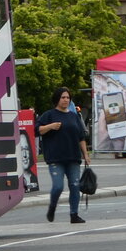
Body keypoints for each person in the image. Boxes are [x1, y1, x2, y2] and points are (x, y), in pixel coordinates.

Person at [37, 86, 90, 224]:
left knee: (75, 185)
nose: (66, 100)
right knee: (58, 186)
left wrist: (85, 154)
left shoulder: (74, 116)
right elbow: (37, 130)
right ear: (57, 99)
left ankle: (74, 214)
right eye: (63, 97)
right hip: (56, 158)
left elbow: (81, 137)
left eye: (68, 98)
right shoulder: (49, 115)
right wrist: (50, 126)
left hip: (73, 157)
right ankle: (52, 206)